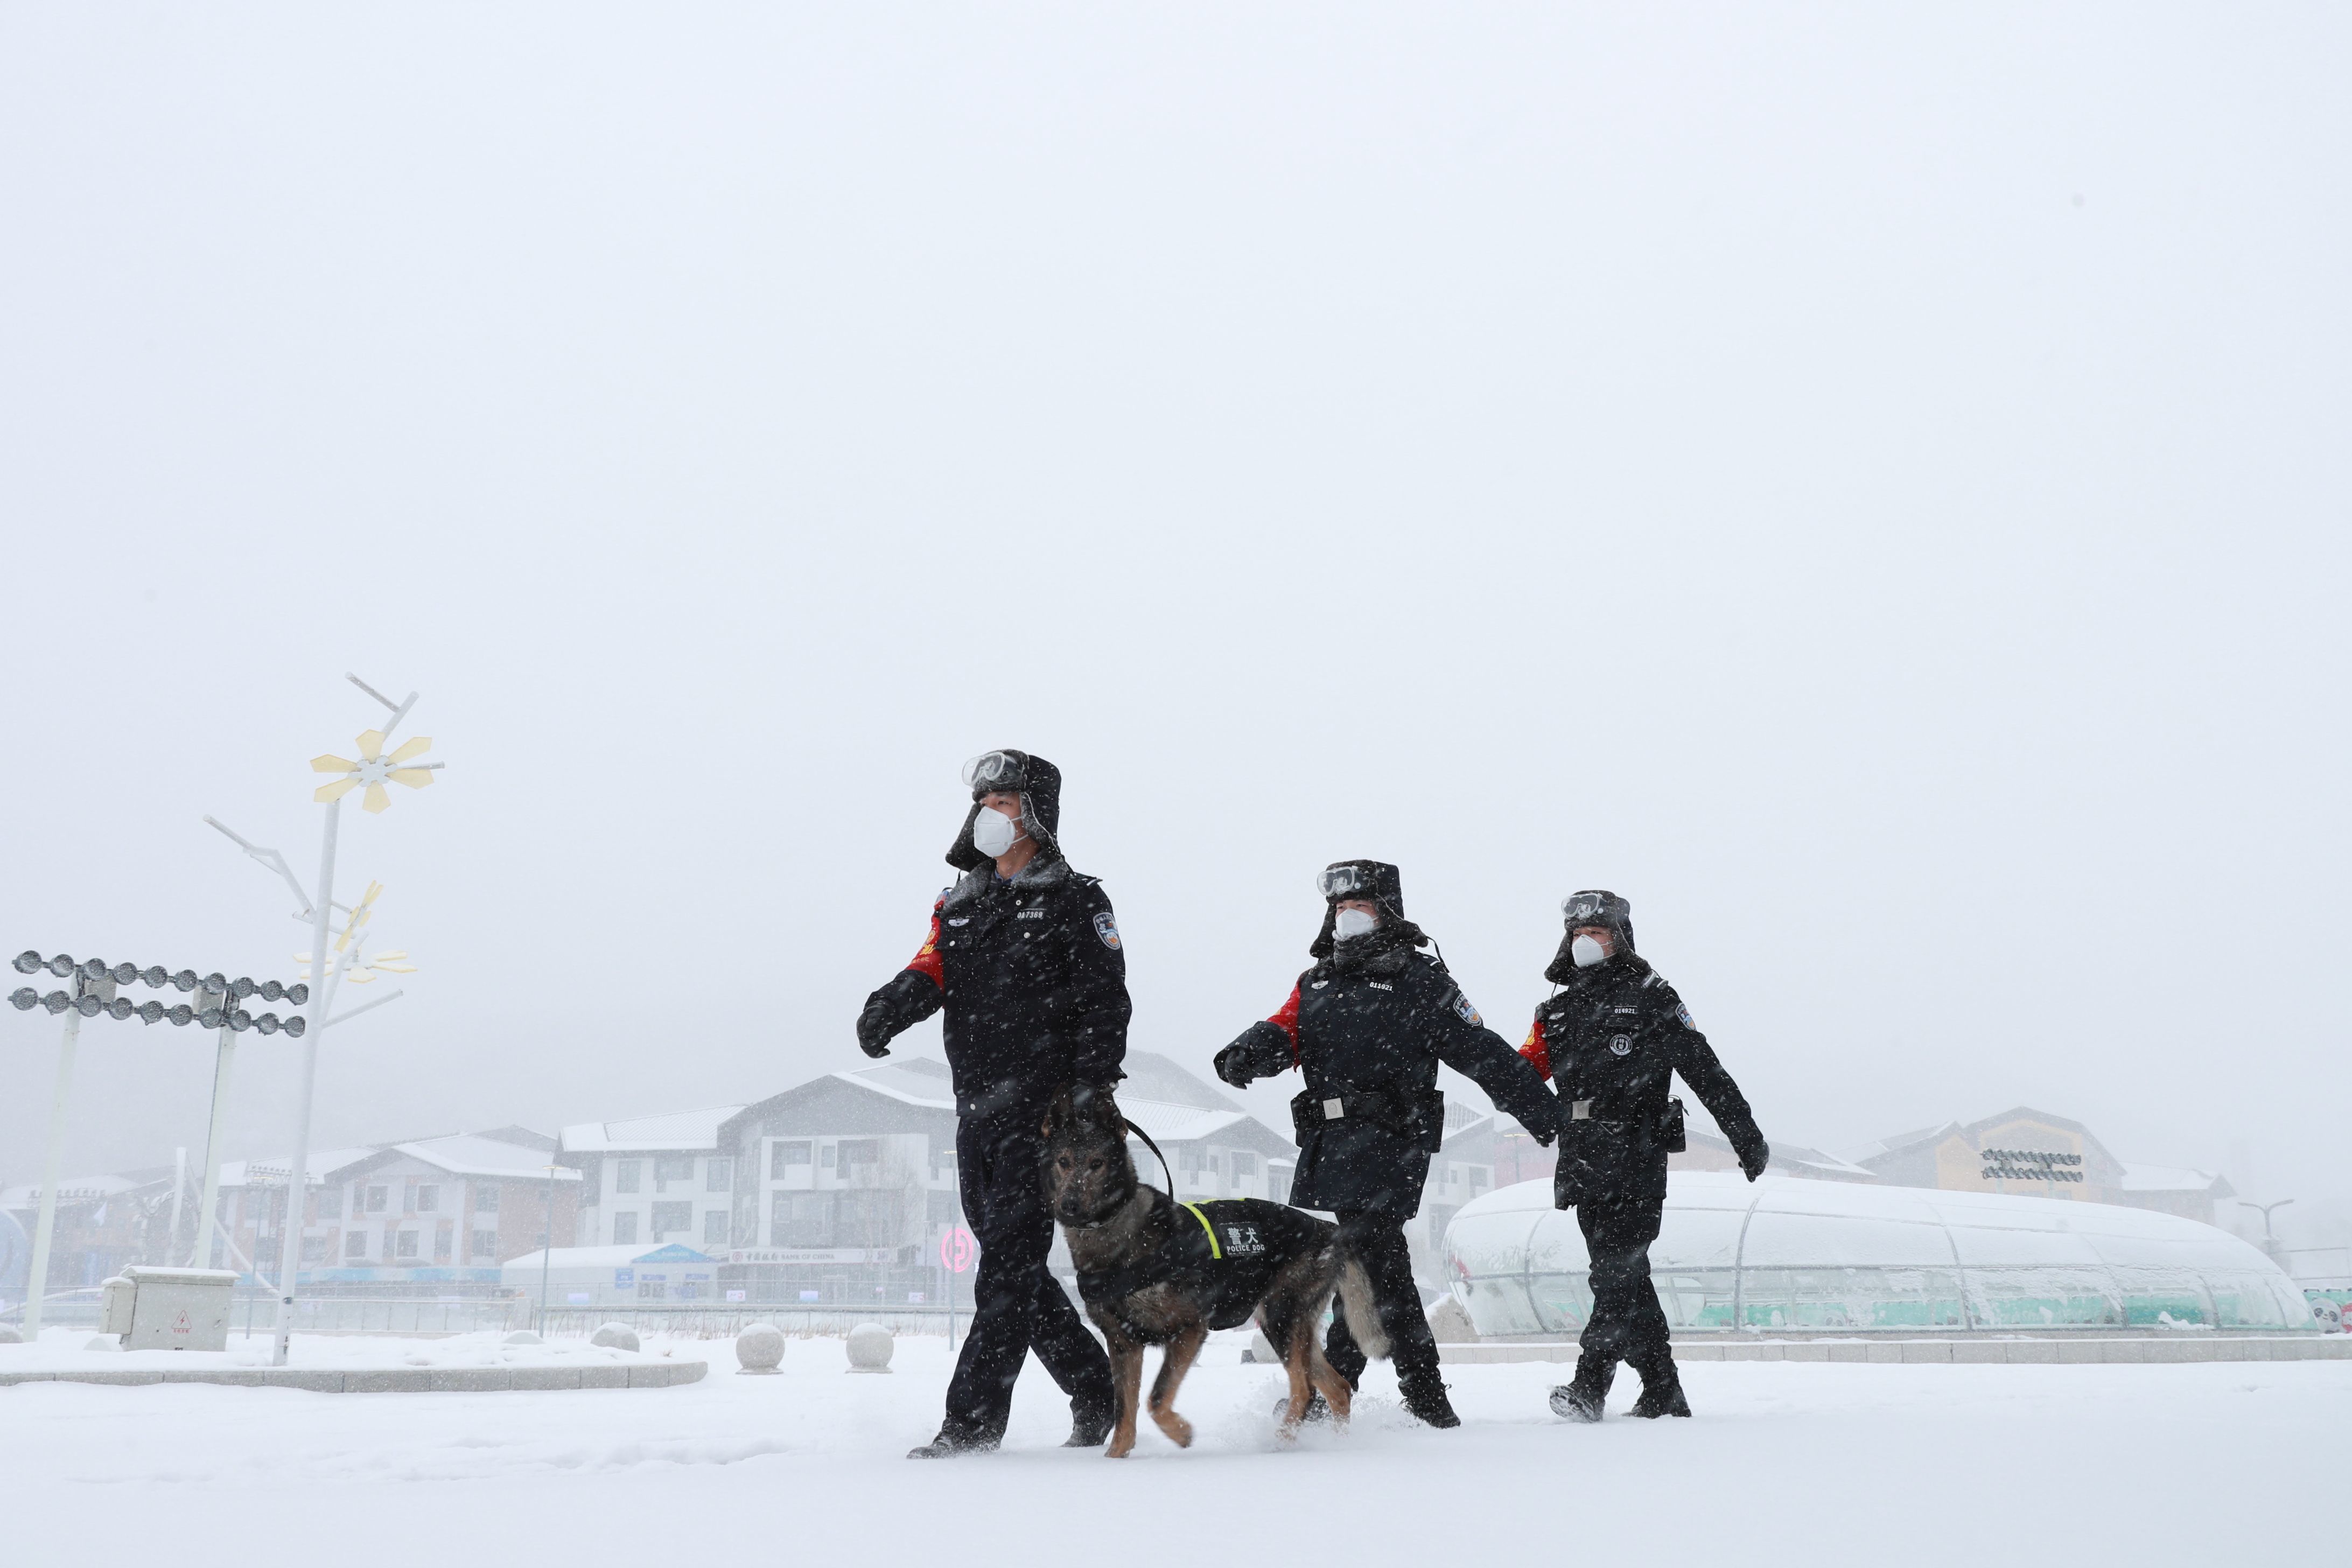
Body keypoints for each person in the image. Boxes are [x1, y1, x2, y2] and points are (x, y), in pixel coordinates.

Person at [1213, 859, 1558, 1428]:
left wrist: (1546, 1117)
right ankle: (1389, 1392)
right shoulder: (1318, 981)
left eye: (1362, 904)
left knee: (1368, 1255)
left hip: (1394, 1143)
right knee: (1373, 1270)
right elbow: (1285, 1027)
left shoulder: (1421, 981)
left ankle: (1375, 1394)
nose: (1347, 915)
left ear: (1389, 911)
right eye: (1339, 905)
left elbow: (1485, 1052)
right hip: (1332, 1143)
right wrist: (1246, 1052)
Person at [856, 749, 1126, 1458]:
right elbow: (930, 967)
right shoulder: (960, 902)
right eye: (984, 800)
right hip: (975, 1108)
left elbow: (1105, 1000)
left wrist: (1094, 1088)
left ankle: (972, 1423)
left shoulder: (1076, 899)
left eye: (1004, 801)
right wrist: (887, 1008)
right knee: (1016, 1268)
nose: (989, 812)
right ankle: (1098, 1390)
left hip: (1047, 1115)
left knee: (1006, 1265)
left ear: (1035, 813)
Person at [1518, 889, 1768, 1421]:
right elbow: (1522, 1074)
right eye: (1579, 933)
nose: (1587, 942)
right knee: (1627, 1279)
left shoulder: (1652, 996)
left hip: (1636, 1154)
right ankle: (1663, 1390)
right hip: (1582, 1160)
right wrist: (1536, 1114)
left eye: (1599, 932)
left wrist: (1745, 1136)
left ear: (1621, 937)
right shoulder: (1555, 1011)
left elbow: (1705, 1069)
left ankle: (1591, 1384)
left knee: (1614, 1275)